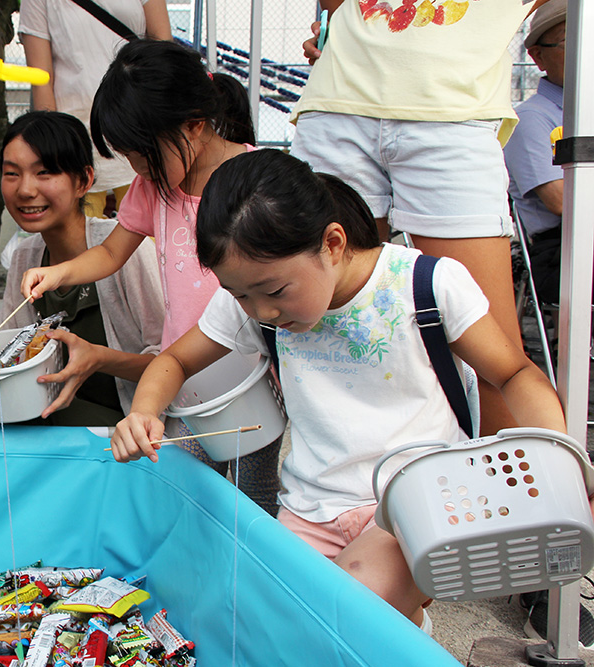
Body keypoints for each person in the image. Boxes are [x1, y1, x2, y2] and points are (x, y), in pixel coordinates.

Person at [110, 149, 569, 630]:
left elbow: (515, 374)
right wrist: (144, 413)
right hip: (309, 506)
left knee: (342, 612)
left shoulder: (425, 284)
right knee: (264, 619)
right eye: (239, 294)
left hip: (416, 499)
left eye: (274, 291)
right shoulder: (253, 302)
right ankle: (408, 625)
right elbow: (175, 361)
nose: (261, 311)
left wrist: (560, 460)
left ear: (332, 243)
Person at [19, 39, 280, 515]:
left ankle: (241, 585)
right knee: (175, 486)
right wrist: (59, 272)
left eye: (143, 155)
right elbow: (111, 252)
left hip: (251, 375)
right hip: (180, 371)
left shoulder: (258, 178)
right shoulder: (154, 186)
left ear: (194, 125)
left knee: (253, 497)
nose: (137, 170)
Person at [290, 0, 552, 437]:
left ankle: (512, 498)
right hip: (339, 101)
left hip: (452, 110)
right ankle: (357, 492)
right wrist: (339, 30)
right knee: (326, 329)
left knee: (491, 350)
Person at [0, 111, 165, 426]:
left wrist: (101, 359)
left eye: (44, 172)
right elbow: (8, 357)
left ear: (84, 181)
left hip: (128, 428)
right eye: (12, 173)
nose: (25, 190)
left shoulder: (128, 251)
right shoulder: (26, 257)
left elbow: (171, 361)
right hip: (54, 420)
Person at [18, 0, 171, 217]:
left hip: (139, 129)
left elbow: (164, 52)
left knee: (151, 238)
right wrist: (53, 147)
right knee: (83, 240)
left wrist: (165, 129)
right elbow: (41, 80)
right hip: (79, 135)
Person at [504, 0, 570, 306]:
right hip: (562, 250)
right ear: (537, 56)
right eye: (573, 41)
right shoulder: (531, 118)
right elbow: (559, 200)